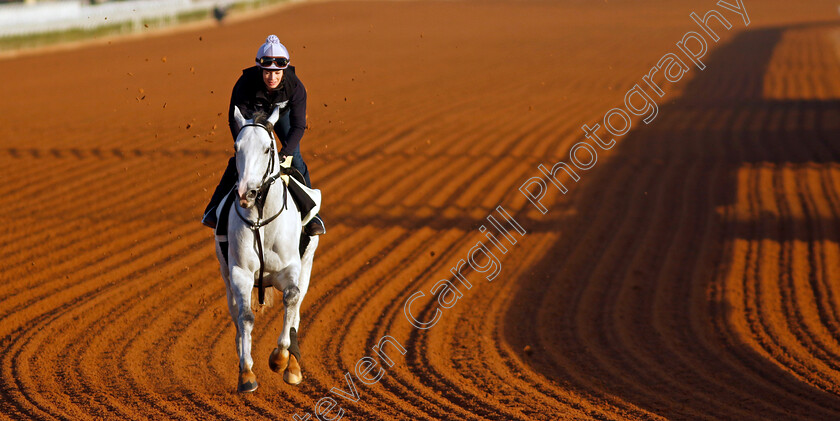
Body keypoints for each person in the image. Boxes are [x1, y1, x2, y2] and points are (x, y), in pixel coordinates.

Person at [201, 35, 326, 235]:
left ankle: (312, 215)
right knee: (240, 160)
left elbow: (299, 125)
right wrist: (244, 146)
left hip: (282, 117)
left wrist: (285, 153)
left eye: (277, 72)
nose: (272, 77)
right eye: (267, 72)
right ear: (260, 69)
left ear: (284, 70)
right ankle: (213, 210)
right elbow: (234, 119)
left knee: (297, 159)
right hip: (253, 117)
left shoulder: (296, 87)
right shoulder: (244, 84)